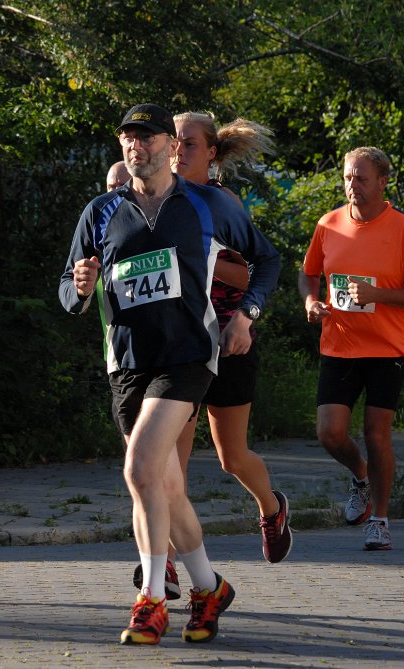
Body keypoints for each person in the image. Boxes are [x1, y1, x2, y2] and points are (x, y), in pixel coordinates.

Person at [59, 104, 280, 645]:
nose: (136, 146)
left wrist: (244, 316)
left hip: (188, 355)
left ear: (170, 146)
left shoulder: (207, 204)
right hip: (127, 361)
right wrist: (80, 287)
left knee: (140, 469)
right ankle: (209, 587)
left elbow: (266, 260)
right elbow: (68, 291)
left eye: (146, 137)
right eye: (127, 138)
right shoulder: (101, 211)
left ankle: (152, 599)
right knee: (164, 483)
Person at [298, 146, 404, 551]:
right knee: (329, 433)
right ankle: (361, 475)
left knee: (377, 435)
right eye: (347, 177)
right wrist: (311, 302)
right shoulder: (329, 224)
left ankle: (380, 519)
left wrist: (379, 295)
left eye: (361, 178)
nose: (352, 185)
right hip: (339, 343)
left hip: (385, 348)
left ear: (382, 182)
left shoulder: (403, 228)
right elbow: (308, 274)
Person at [171, 112, 291, 562]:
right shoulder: (153, 200)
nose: (178, 151)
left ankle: (272, 508)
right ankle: (165, 565)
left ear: (211, 153)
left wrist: (243, 317)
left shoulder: (222, 203)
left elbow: (255, 268)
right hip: (179, 349)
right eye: (173, 142)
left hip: (226, 340)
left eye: (189, 144)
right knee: (171, 466)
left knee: (231, 457)